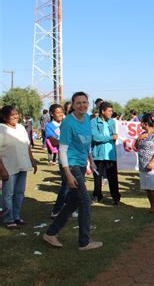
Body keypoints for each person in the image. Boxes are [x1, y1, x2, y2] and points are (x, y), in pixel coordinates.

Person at [43, 91, 103, 250]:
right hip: (70, 166)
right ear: (73, 104)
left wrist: (91, 161)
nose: (82, 105)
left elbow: (87, 144)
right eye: (79, 103)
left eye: (85, 102)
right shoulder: (68, 122)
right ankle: (84, 242)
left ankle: (51, 233)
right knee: (85, 201)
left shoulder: (86, 120)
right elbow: (62, 150)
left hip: (81, 164)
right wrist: (68, 174)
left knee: (73, 202)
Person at [0, 106, 38, 229]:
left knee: (20, 192)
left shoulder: (21, 128)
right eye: (12, 115)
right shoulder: (1, 129)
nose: (16, 116)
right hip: (8, 167)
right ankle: (8, 218)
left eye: (17, 114)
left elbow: (27, 145)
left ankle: (16, 216)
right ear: (5, 117)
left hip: (22, 164)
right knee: (8, 194)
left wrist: (32, 161)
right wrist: (2, 169)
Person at [91, 102, 121, 205]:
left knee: (113, 177)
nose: (111, 113)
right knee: (97, 178)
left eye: (111, 111)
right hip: (98, 154)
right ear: (102, 111)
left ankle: (115, 197)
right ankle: (97, 196)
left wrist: (115, 137)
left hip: (111, 155)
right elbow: (95, 137)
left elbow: (116, 135)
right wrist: (110, 138)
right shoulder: (93, 122)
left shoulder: (112, 122)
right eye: (109, 111)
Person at [45, 104, 68, 218]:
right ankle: (56, 210)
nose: (60, 114)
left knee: (73, 185)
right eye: (57, 112)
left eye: (61, 112)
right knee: (66, 184)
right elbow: (53, 142)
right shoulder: (50, 126)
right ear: (52, 114)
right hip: (63, 157)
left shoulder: (66, 123)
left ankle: (68, 208)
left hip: (74, 156)